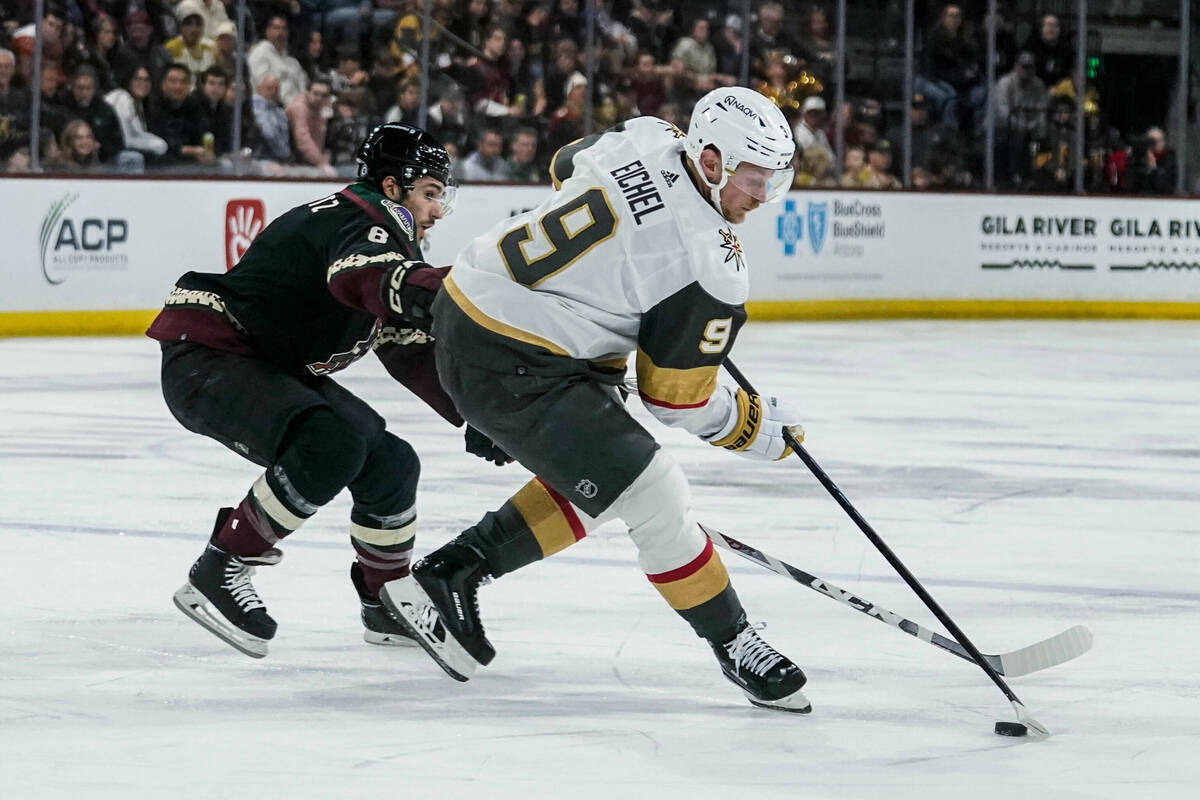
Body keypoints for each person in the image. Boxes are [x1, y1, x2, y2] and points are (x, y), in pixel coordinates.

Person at [382, 86, 812, 713]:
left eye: (773, 182)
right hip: (515, 357)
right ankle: (735, 640)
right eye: (753, 180)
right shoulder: (710, 264)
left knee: (606, 470)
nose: (760, 197)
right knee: (652, 489)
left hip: (469, 300)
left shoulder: (645, 134)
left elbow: (564, 167)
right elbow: (675, 400)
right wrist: (752, 426)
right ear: (712, 161)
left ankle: (450, 574)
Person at [148, 123, 493, 658]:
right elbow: (360, 279)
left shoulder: (376, 235)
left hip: (257, 364)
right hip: (208, 358)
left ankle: (383, 601)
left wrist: (479, 413)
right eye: (428, 192)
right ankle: (221, 567)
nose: (436, 210)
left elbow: (408, 351)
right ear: (392, 187)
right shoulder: (366, 220)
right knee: (330, 442)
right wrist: (473, 285)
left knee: (391, 463)